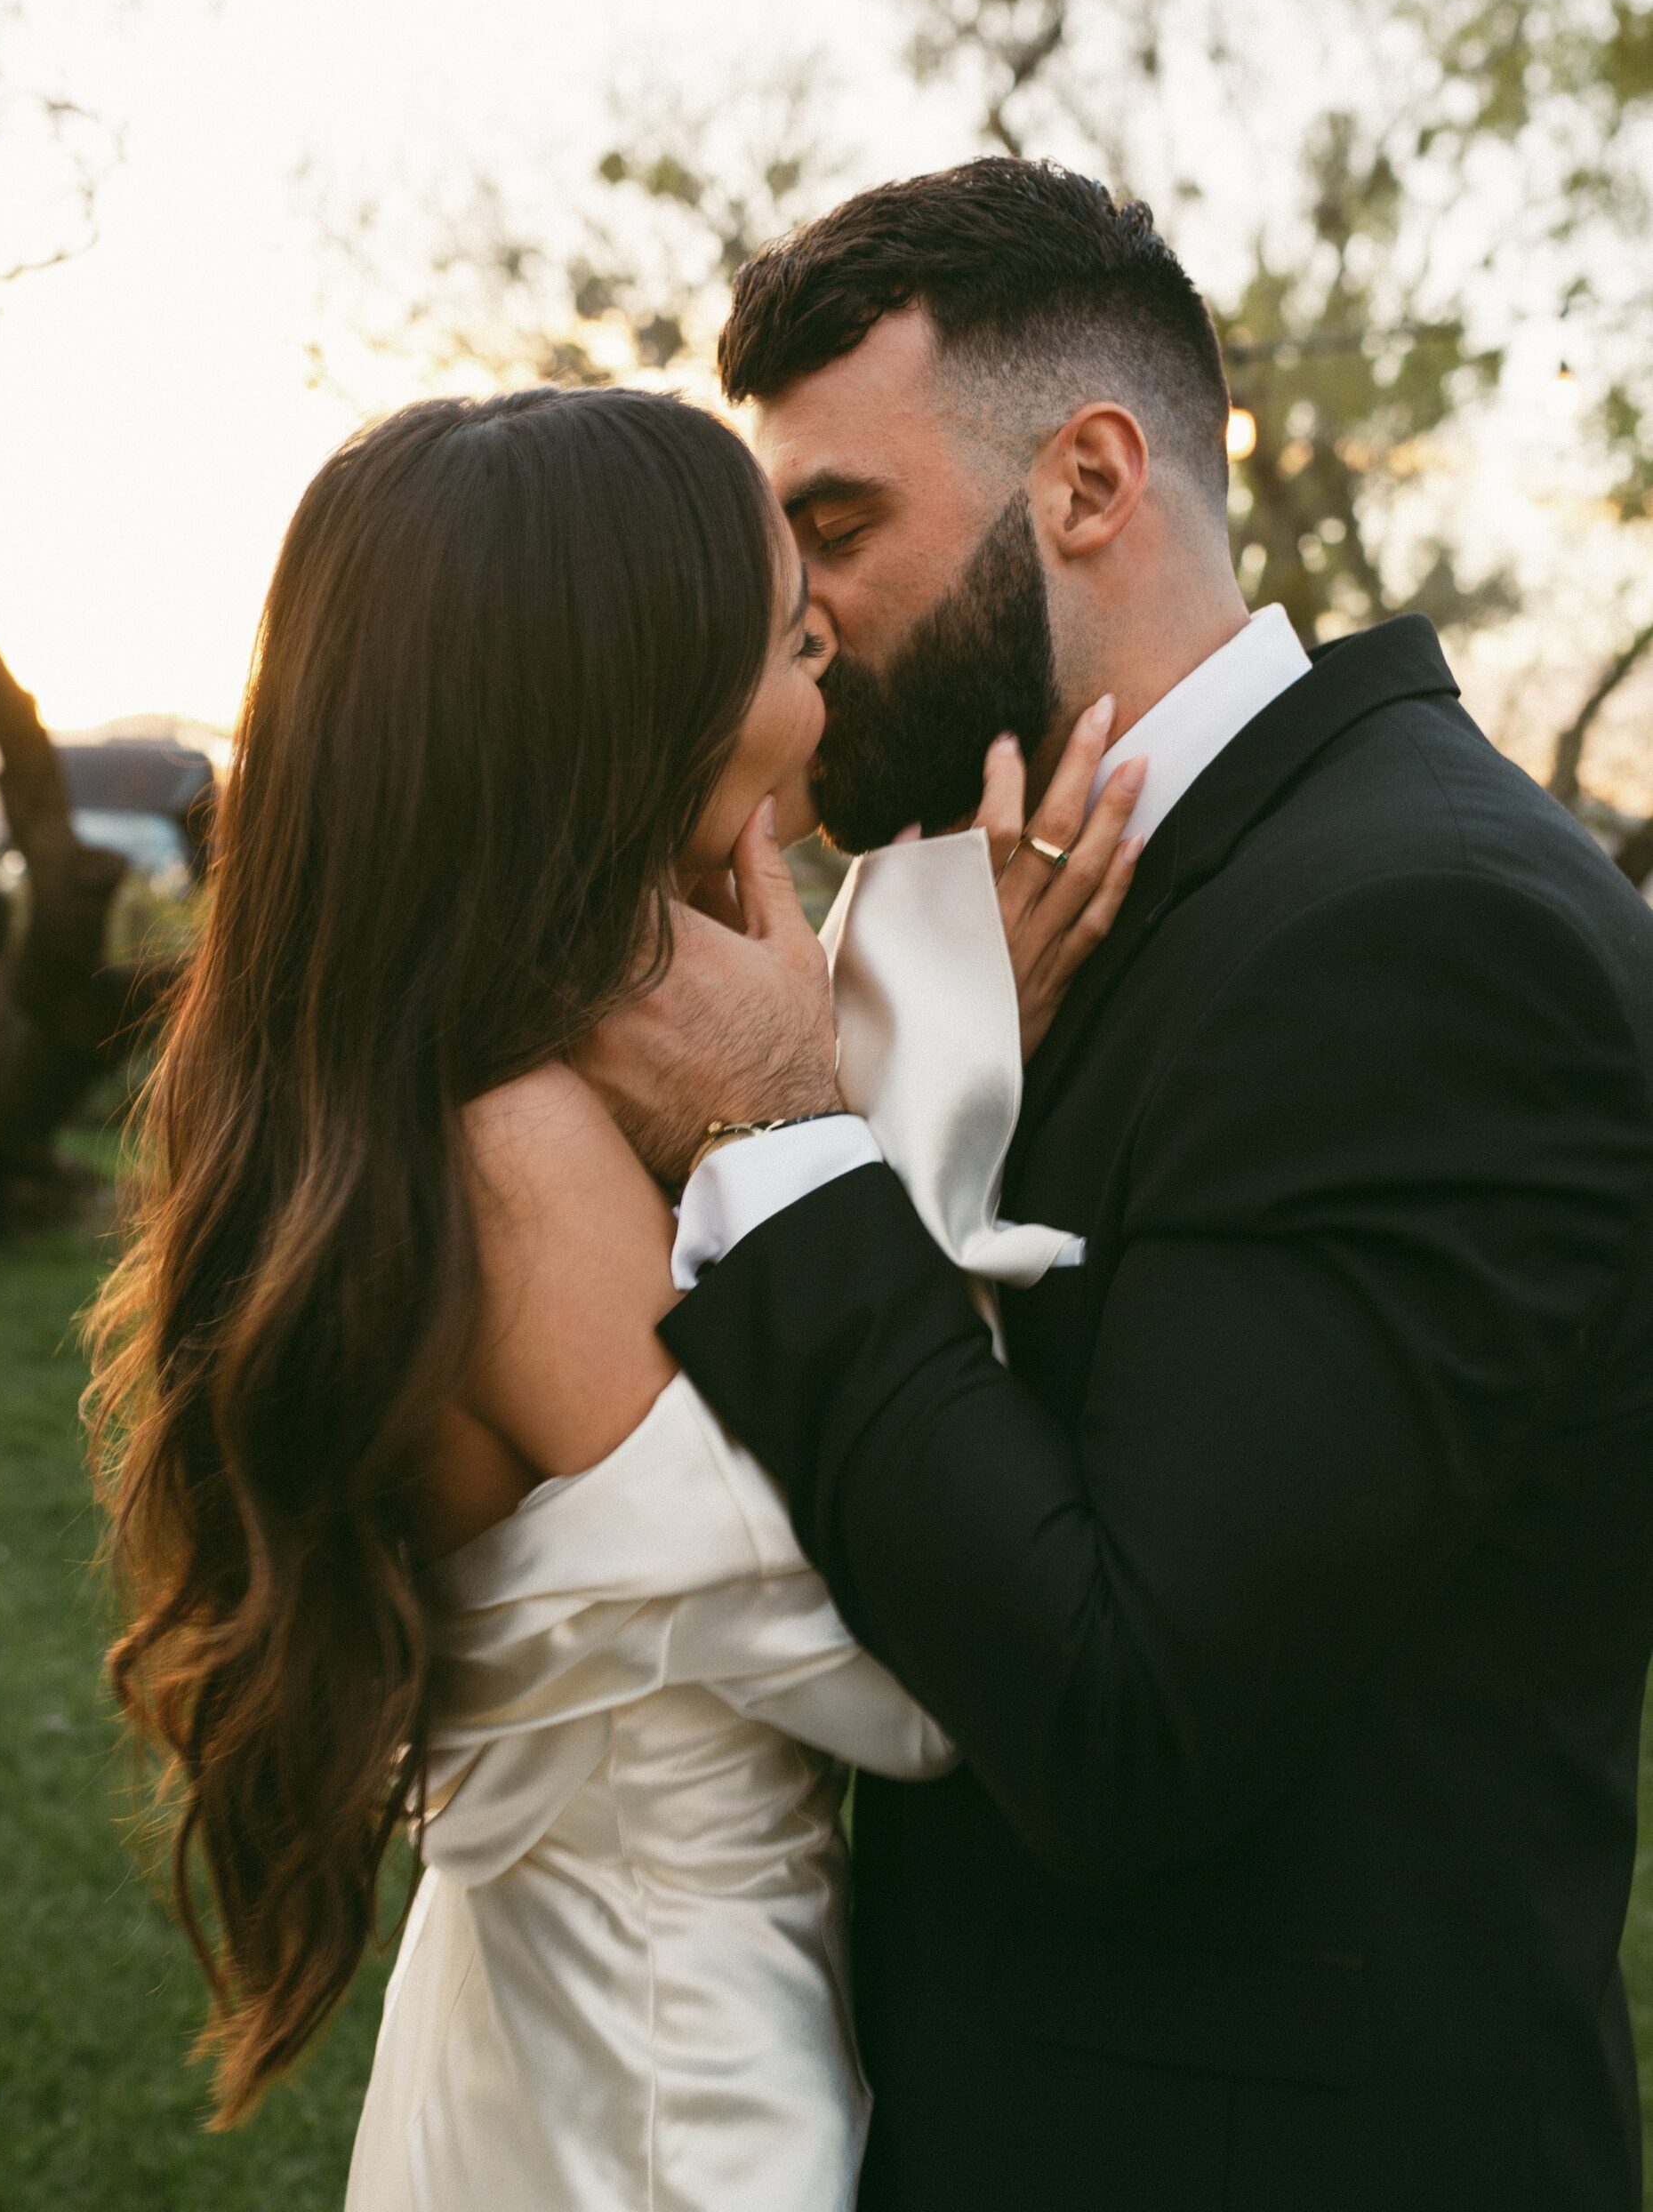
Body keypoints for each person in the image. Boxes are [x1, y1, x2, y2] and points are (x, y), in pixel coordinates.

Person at [581, 158, 1653, 2210]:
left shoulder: (1421, 930)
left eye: (837, 525)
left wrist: (784, 1133)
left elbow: (1122, 1708)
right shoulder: (1035, 911)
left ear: (1087, 481)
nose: (798, 615)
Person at [84, 383, 1144, 2210]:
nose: (828, 686)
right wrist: (907, 1069)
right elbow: (905, 1660)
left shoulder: (460, 1079)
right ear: (640, 696)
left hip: (546, 2033)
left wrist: (864, 1041)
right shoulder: (524, 1155)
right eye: (792, 639)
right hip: (663, 2102)